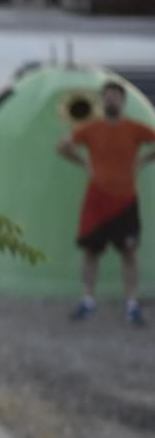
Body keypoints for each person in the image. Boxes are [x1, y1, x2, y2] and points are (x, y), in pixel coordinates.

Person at [57, 80, 155, 327]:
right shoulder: (92, 128)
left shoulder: (135, 129)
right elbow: (62, 145)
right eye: (108, 96)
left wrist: (143, 160)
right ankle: (88, 300)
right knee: (91, 252)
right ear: (103, 101)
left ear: (123, 101)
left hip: (125, 200)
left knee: (129, 253)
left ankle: (131, 304)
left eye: (116, 96)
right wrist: (84, 163)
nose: (111, 100)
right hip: (96, 201)